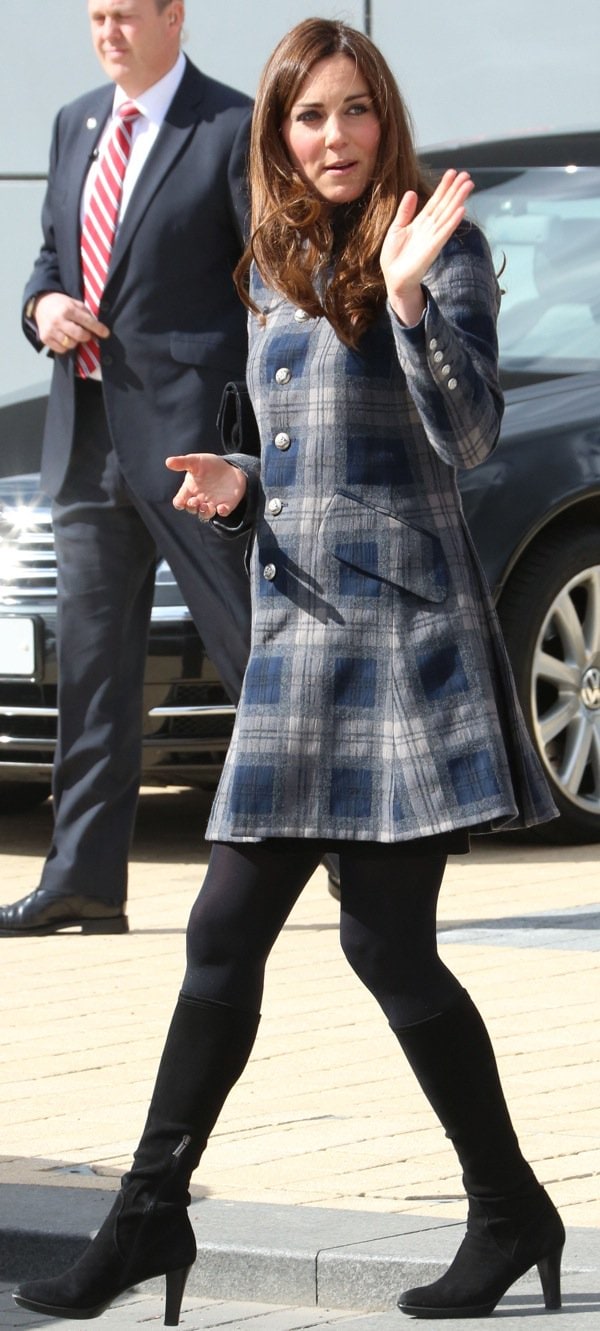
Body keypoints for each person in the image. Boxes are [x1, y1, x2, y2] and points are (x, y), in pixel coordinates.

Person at [13, 17, 565, 1324]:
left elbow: (468, 432)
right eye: (308, 116)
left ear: (386, 120)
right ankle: (153, 1214)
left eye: (354, 111)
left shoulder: (440, 240)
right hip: (302, 639)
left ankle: (502, 1207)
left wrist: (418, 295)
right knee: (230, 933)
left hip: (401, 646)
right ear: (279, 133)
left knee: (383, 944)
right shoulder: (271, 266)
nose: (333, 136)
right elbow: (315, 459)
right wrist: (240, 484)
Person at [0, 0, 253, 937]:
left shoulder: (230, 126)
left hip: (189, 442)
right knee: (94, 674)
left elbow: (263, 280)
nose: (107, 32)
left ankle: (354, 846)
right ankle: (85, 880)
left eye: (124, 14)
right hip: (87, 437)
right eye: (95, 16)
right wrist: (43, 310)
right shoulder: (76, 123)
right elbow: (46, 262)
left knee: (254, 655)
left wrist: (248, 441)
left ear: (173, 17)